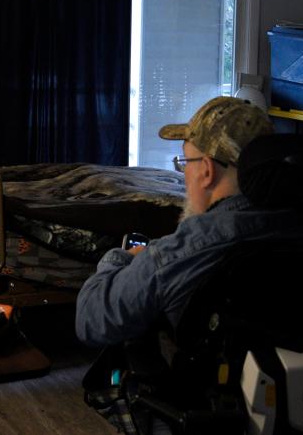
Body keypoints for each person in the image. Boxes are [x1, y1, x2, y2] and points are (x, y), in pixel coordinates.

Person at [74, 96, 275, 347]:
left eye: (185, 162)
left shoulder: (185, 252)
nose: (183, 175)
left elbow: (91, 320)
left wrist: (125, 259)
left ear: (206, 171)